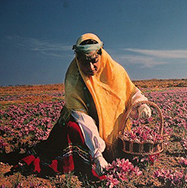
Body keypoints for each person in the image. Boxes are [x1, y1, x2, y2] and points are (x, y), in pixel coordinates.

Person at [13, 33, 151, 178]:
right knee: (73, 129)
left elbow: (131, 92)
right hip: (84, 124)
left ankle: (109, 151)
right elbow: (82, 117)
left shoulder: (115, 70)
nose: (90, 67)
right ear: (78, 60)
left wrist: (141, 104)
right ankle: (82, 161)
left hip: (109, 127)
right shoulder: (73, 77)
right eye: (85, 62)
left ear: (101, 55)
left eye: (94, 61)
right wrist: (97, 154)